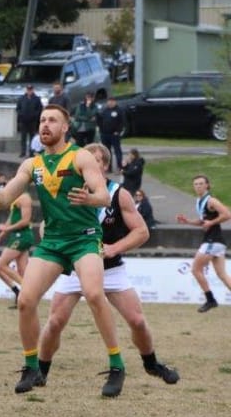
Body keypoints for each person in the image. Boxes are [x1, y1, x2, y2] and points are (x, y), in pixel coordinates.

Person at [0, 104, 125, 397]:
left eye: (52, 120)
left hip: (84, 238)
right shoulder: (33, 164)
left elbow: (105, 196)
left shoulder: (80, 156)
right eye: (42, 120)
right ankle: (32, 367)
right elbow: (5, 200)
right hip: (53, 242)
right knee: (26, 301)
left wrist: (89, 199)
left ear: (65, 127)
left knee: (94, 294)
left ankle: (117, 365)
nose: (45, 125)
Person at [38, 143, 179, 386]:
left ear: (104, 166)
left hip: (110, 268)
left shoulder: (118, 194)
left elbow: (142, 232)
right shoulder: (67, 191)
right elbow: (45, 226)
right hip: (75, 266)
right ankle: (40, 371)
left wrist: (113, 248)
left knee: (137, 321)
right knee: (54, 322)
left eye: (97, 161)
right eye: (86, 159)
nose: (90, 164)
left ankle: (151, 363)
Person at [176, 175, 231, 312]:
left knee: (196, 269)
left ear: (207, 185)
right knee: (222, 275)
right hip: (215, 241)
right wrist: (187, 221)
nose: (198, 186)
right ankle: (210, 300)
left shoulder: (211, 200)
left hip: (213, 240)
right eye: (196, 184)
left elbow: (227, 214)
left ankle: (210, 300)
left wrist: (211, 223)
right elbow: (203, 221)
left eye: (201, 184)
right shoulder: (200, 201)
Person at [0, 174, 31, 308]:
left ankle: (26, 291)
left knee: (2, 264)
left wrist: (7, 228)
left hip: (22, 235)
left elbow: (25, 220)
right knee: (22, 270)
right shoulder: (15, 200)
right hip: (17, 235)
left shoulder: (24, 198)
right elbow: (10, 219)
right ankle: (25, 300)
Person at [97, 96, 124, 172]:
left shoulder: (119, 110)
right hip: (105, 134)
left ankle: (120, 166)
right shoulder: (104, 110)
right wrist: (101, 129)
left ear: (115, 102)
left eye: (112, 101)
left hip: (114, 134)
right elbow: (100, 120)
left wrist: (118, 131)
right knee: (106, 152)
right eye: (109, 101)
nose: (110, 103)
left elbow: (122, 122)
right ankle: (108, 167)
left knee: (117, 150)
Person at [15, 84, 42, 158]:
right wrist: (21, 115)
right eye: (28, 89)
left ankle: (31, 152)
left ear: (33, 90)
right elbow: (18, 108)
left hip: (32, 122)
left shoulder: (37, 99)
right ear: (26, 90)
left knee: (32, 138)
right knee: (23, 138)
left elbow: (39, 109)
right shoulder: (21, 98)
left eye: (30, 89)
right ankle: (23, 152)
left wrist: (34, 116)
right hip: (23, 121)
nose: (29, 91)